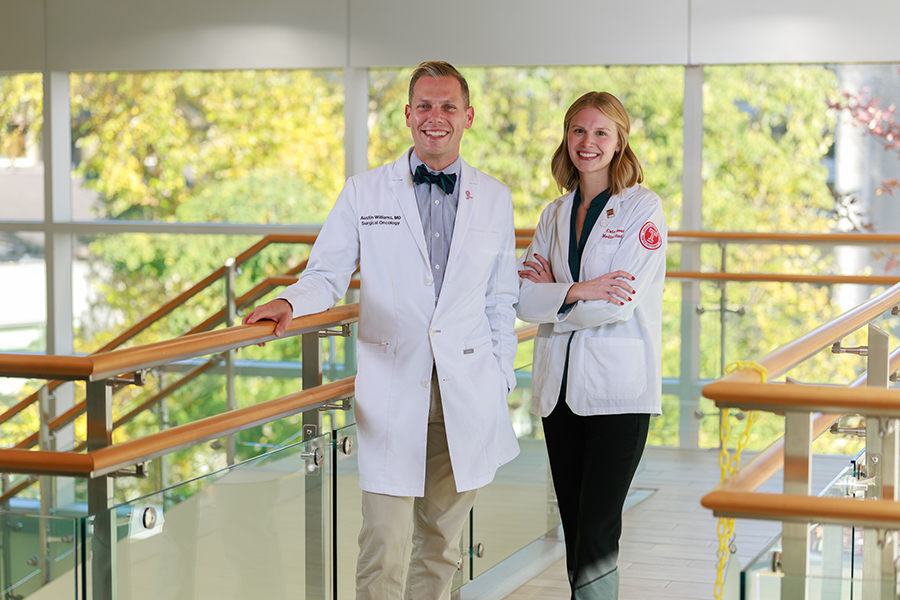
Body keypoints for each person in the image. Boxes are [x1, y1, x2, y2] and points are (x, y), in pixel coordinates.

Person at [242, 61, 520, 600]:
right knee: (384, 544)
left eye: (447, 107)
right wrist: (287, 303)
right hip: (393, 386)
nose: (434, 117)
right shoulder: (365, 192)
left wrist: (502, 377)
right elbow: (326, 273)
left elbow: (500, 299)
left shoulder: (495, 198)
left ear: (467, 117)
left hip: (466, 390)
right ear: (408, 114)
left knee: (441, 544)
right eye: (424, 106)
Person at [515, 91, 667, 599]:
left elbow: (618, 303)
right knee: (576, 525)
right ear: (566, 137)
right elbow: (520, 298)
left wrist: (553, 294)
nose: (588, 142)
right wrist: (576, 290)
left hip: (617, 392)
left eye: (601, 132)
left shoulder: (643, 208)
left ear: (620, 140)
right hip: (559, 392)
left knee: (599, 530)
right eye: (579, 131)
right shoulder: (554, 213)